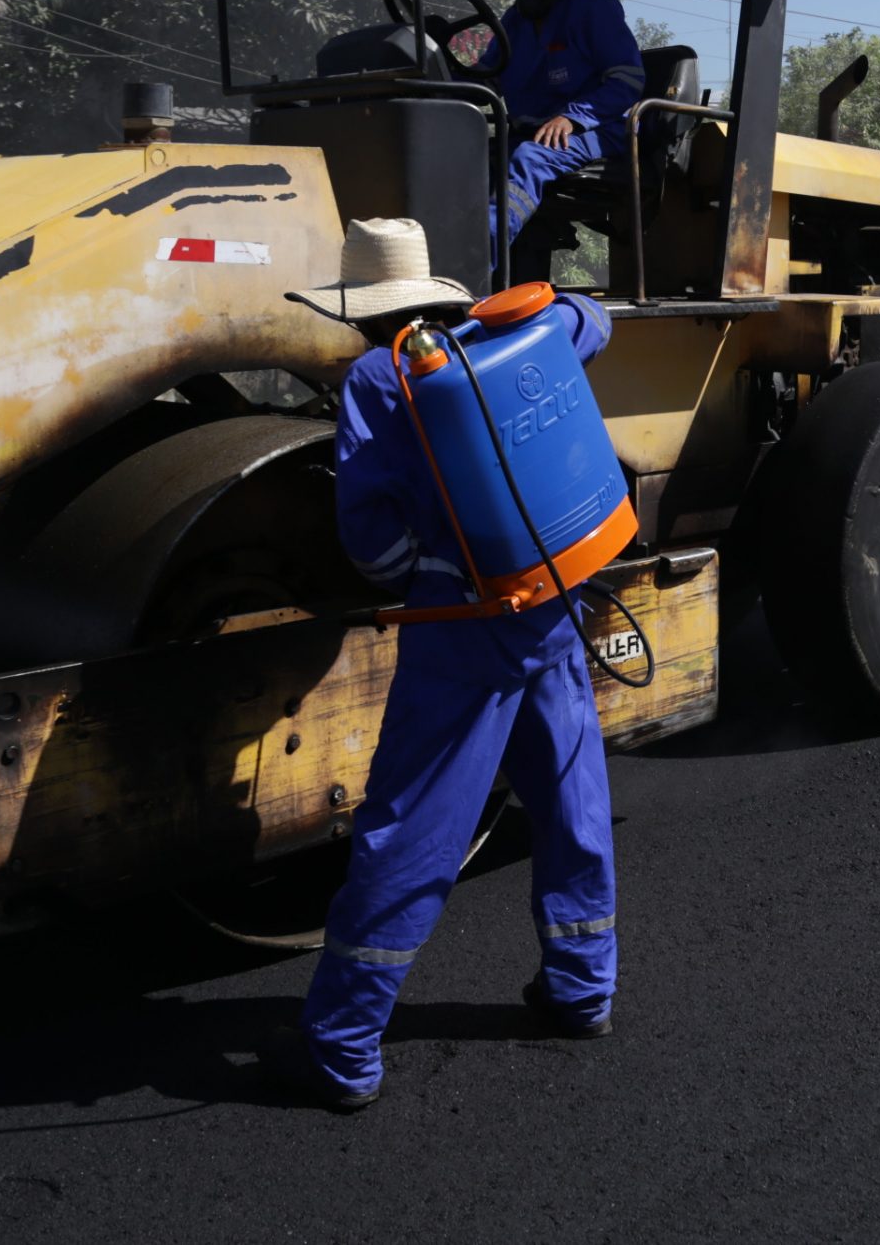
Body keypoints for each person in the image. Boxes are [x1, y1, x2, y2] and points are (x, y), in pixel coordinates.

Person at [263, 217, 620, 1112]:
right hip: (553, 595)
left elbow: (368, 529)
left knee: (413, 823)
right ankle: (583, 988)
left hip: (464, 622)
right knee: (569, 793)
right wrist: (532, 312)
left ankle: (342, 1044)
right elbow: (593, 321)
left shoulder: (380, 376)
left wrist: (419, 581)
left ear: (362, 311)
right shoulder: (506, 337)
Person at [473, 0, 646, 256]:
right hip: (532, 131)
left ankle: (471, 269)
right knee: (463, 156)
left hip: (598, 129)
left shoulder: (594, 7)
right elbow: (487, 80)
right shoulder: (515, 19)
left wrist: (571, 117)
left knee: (529, 158)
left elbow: (627, 81)